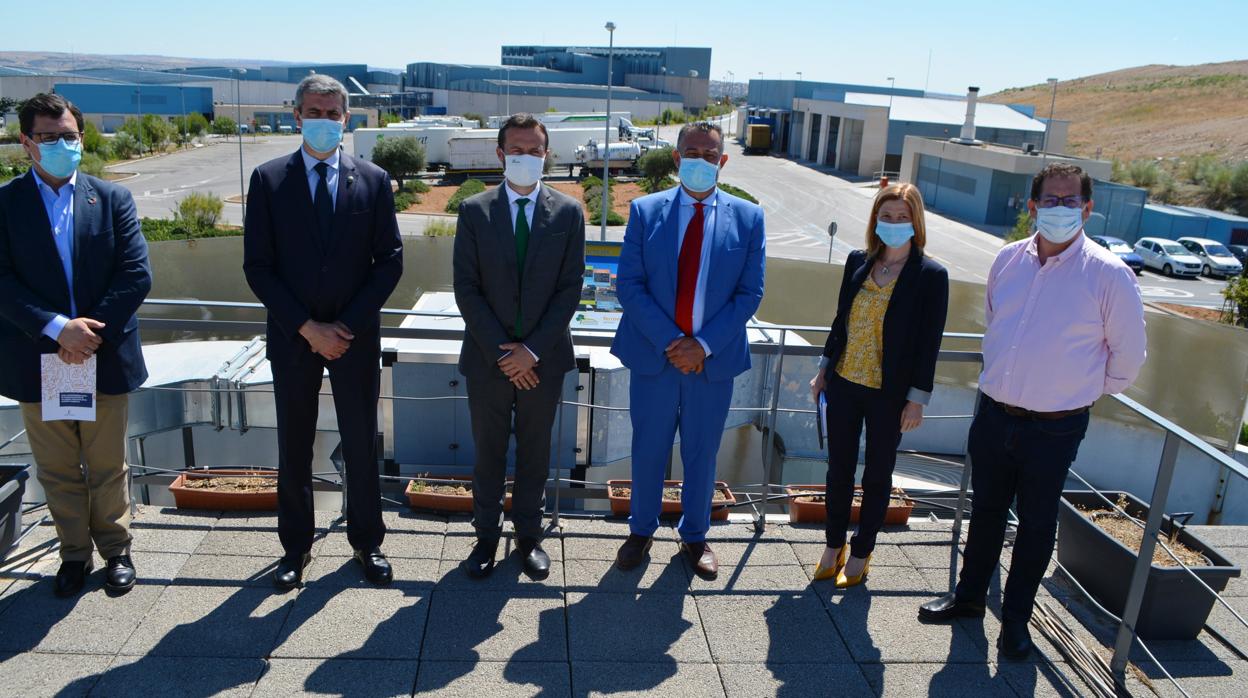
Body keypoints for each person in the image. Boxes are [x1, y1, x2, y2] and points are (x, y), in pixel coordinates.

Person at [918, 163, 1147, 659]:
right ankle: (970, 598)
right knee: (986, 515)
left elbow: (1129, 360)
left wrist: (1073, 393)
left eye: (1070, 201)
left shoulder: (1109, 275)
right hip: (995, 415)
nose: (1059, 208)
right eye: (1050, 199)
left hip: (1055, 428)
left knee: (1037, 526)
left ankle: (1016, 621)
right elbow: (997, 325)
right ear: (1032, 206)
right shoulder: (1007, 260)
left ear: (1087, 208)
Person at [243, 75, 403, 590]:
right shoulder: (268, 180)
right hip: (294, 340)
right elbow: (258, 267)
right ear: (296, 116)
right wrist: (309, 328)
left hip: (354, 340)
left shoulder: (374, 180)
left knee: (361, 443)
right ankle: (295, 548)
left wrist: (344, 327)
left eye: (333, 113)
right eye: (314, 111)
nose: (325, 120)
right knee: (295, 444)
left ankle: (367, 542)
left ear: (347, 119)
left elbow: (390, 263)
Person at [0, 94, 152, 597]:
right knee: (59, 467)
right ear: (26, 144)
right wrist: (56, 328)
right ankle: (72, 554)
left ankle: (116, 550)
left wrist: (84, 336)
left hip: (100, 354)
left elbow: (135, 276)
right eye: (48, 137)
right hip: (36, 355)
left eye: (70, 135)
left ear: (82, 138)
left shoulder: (111, 199)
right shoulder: (5, 204)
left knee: (108, 462)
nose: (63, 144)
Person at [611, 121, 766, 580]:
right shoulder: (644, 211)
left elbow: (749, 293)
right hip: (654, 358)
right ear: (677, 159)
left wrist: (702, 346)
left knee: (703, 451)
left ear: (723, 161)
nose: (701, 160)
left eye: (710, 153)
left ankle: (695, 538)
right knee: (649, 449)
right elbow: (630, 285)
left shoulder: (749, 217)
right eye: (691, 152)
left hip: (711, 363)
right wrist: (671, 343)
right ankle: (640, 531)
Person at [452, 113, 585, 579]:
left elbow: (570, 290)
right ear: (500, 154)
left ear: (546, 154)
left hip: (543, 362)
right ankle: (485, 536)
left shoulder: (568, 213)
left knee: (534, 452)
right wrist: (506, 354)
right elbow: (466, 289)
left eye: (534, 150)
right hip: (490, 361)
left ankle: (528, 537)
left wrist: (533, 352)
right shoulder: (474, 211)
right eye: (517, 149)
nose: (525, 157)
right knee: (487, 453)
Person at [809, 183, 948, 588]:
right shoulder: (857, 261)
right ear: (875, 221)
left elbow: (929, 344)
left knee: (877, 475)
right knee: (838, 471)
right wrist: (822, 372)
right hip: (845, 384)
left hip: (890, 395)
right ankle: (833, 545)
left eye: (902, 217)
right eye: (886, 217)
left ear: (915, 222)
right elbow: (841, 324)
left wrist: (917, 401)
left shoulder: (931, 275)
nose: (893, 224)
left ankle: (863, 551)